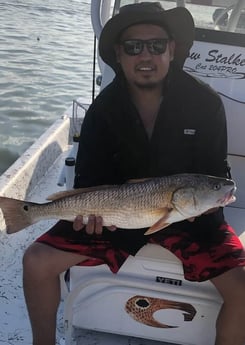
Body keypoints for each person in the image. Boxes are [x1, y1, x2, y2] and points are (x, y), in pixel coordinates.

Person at [22, 2, 245, 345]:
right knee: (35, 261)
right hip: (113, 221)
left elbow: (214, 174)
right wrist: (89, 218)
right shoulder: (102, 111)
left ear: (171, 50)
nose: (146, 55)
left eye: (156, 45)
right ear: (119, 54)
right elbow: (88, 183)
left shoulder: (206, 103)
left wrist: (209, 204)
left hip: (191, 221)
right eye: (133, 46)